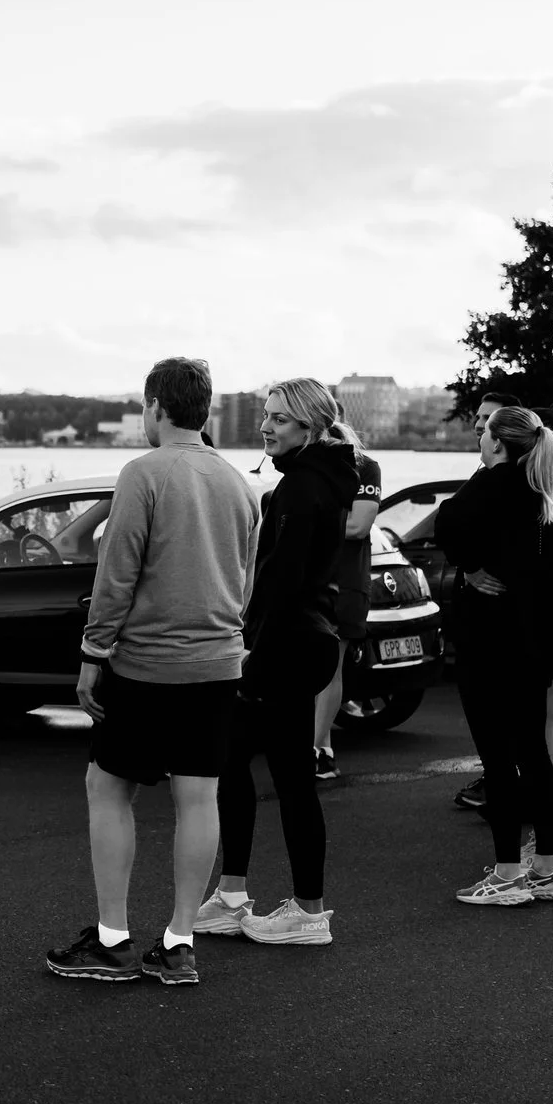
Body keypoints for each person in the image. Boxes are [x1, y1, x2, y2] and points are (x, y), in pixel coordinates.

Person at [47, 357, 256, 986]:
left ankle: (113, 939)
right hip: (219, 663)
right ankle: (179, 942)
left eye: (144, 408)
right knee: (199, 797)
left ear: (157, 406)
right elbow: (247, 579)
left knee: (108, 787)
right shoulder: (240, 483)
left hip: (146, 664)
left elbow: (116, 574)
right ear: (205, 411)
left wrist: (92, 654)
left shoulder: (143, 474)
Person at [195, 379, 355, 948]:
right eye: (265, 416)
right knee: (241, 763)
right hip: (298, 642)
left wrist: (250, 651)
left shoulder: (303, 488)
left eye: (280, 420)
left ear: (310, 427)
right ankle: (234, 895)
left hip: (285, 647)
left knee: (284, 779)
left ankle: (307, 911)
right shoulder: (315, 480)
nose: (266, 427)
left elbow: (282, 584)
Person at [436, 405, 553, 906]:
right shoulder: (548, 488)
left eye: (484, 435)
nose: (478, 442)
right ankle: (549, 865)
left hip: (491, 639)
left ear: (500, 445)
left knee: (499, 760)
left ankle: (507, 873)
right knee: (535, 750)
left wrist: (472, 567)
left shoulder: (491, 482)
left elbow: (446, 524)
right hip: (537, 640)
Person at [452, 391, 522, 815]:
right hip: (512, 620)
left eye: (487, 419)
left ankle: (512, 863)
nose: (478, 425)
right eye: (477, 417)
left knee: (504, 719)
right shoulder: (502, 479)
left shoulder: (501, 480)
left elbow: (447, 522)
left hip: (500, 623)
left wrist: (471, 566)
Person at [311, 410, 382, 780]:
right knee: (307, 670)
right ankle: (316, 746)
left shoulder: (366, 467)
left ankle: (319, 748)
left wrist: (309, 521)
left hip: (346, 582)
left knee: (329, 668)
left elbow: (357, 526)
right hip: (309, 581)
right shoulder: (303, 470)